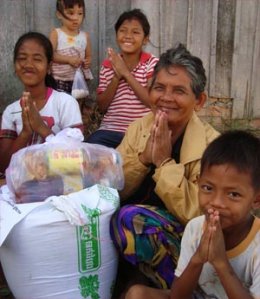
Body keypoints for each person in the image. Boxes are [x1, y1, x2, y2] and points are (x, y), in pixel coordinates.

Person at [109, 43, 220, 297]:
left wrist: (163, 164)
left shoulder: (212, 146)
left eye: (179, 91)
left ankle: (190, 292)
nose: (166, 98)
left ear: (199, 101)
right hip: (134, 241)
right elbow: (111, 189)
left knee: (131, 219)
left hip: (188, 246)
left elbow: (199, 216)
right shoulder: (138, 128)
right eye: (159, 88)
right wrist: (143, 158)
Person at [124, 130, 260, 299]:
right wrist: (198, 258)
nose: (216, 202)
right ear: (198, 182)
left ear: (256, 199)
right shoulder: (196, 228)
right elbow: (178, 296)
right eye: (208, 188)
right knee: (137, 294)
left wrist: (220, 263)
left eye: (233, 194)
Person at [0, 31, 83, 173]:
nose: (28, 64)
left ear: (49, 66)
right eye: (22, 58)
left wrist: (40, 127)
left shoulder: (65, 103)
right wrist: (25, 133)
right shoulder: (11, 111)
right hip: (20, 186)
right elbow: (3, 166)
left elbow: (77, 160)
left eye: (37, 59)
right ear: (15, 65)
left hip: (58, 185)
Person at [86, 8, 159, 148]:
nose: (128, 36)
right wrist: (116, 76)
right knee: (90, 149)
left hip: (142, 132)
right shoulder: (108, 65)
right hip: (110, 131)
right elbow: (102, 106)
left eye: (135, 32)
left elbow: (151, 101)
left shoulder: (152, 63)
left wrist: (125, 73)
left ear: (145, 39)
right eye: (123, 30)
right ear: (116, 35)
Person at [49, 0, 93, 94]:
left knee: (77, 104)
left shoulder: (85, 36)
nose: (76, 18)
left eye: (80, 13)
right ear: (59, 14)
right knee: (61, 105)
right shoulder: (56, 34)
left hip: (78, 80)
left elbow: (88, 56)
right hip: (59, 80)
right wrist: (68, 60)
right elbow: (50, 55)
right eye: (71, 13)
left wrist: (87, 62)